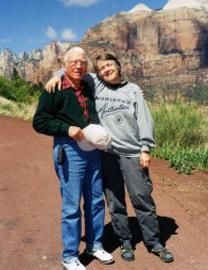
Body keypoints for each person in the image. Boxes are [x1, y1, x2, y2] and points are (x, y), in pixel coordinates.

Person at [46, 53, 174, 263]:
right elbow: (74, 70)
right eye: (102, 68)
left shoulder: (133, 90)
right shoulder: (96, 84)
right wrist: (57, 75)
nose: (105, 70)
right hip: (106, 155)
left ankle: (154, 243)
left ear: (118, 65)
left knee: (142, 198)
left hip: (132, 154)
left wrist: (145, 148)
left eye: (109, 65)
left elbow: (144, 120)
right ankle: (125, 241)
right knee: (115, 202)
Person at [32, 47, 114, 270]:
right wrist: (65, 128)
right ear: (64, 64)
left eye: (82, 62)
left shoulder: (87, 85)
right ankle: (69, 256)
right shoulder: (54, 90)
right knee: (72, 206)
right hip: (69, 151)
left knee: (96, 200)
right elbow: (39, 122)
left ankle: (94, 245)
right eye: (73, 62)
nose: (78, 66)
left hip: (92, 149)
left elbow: (111, 81)